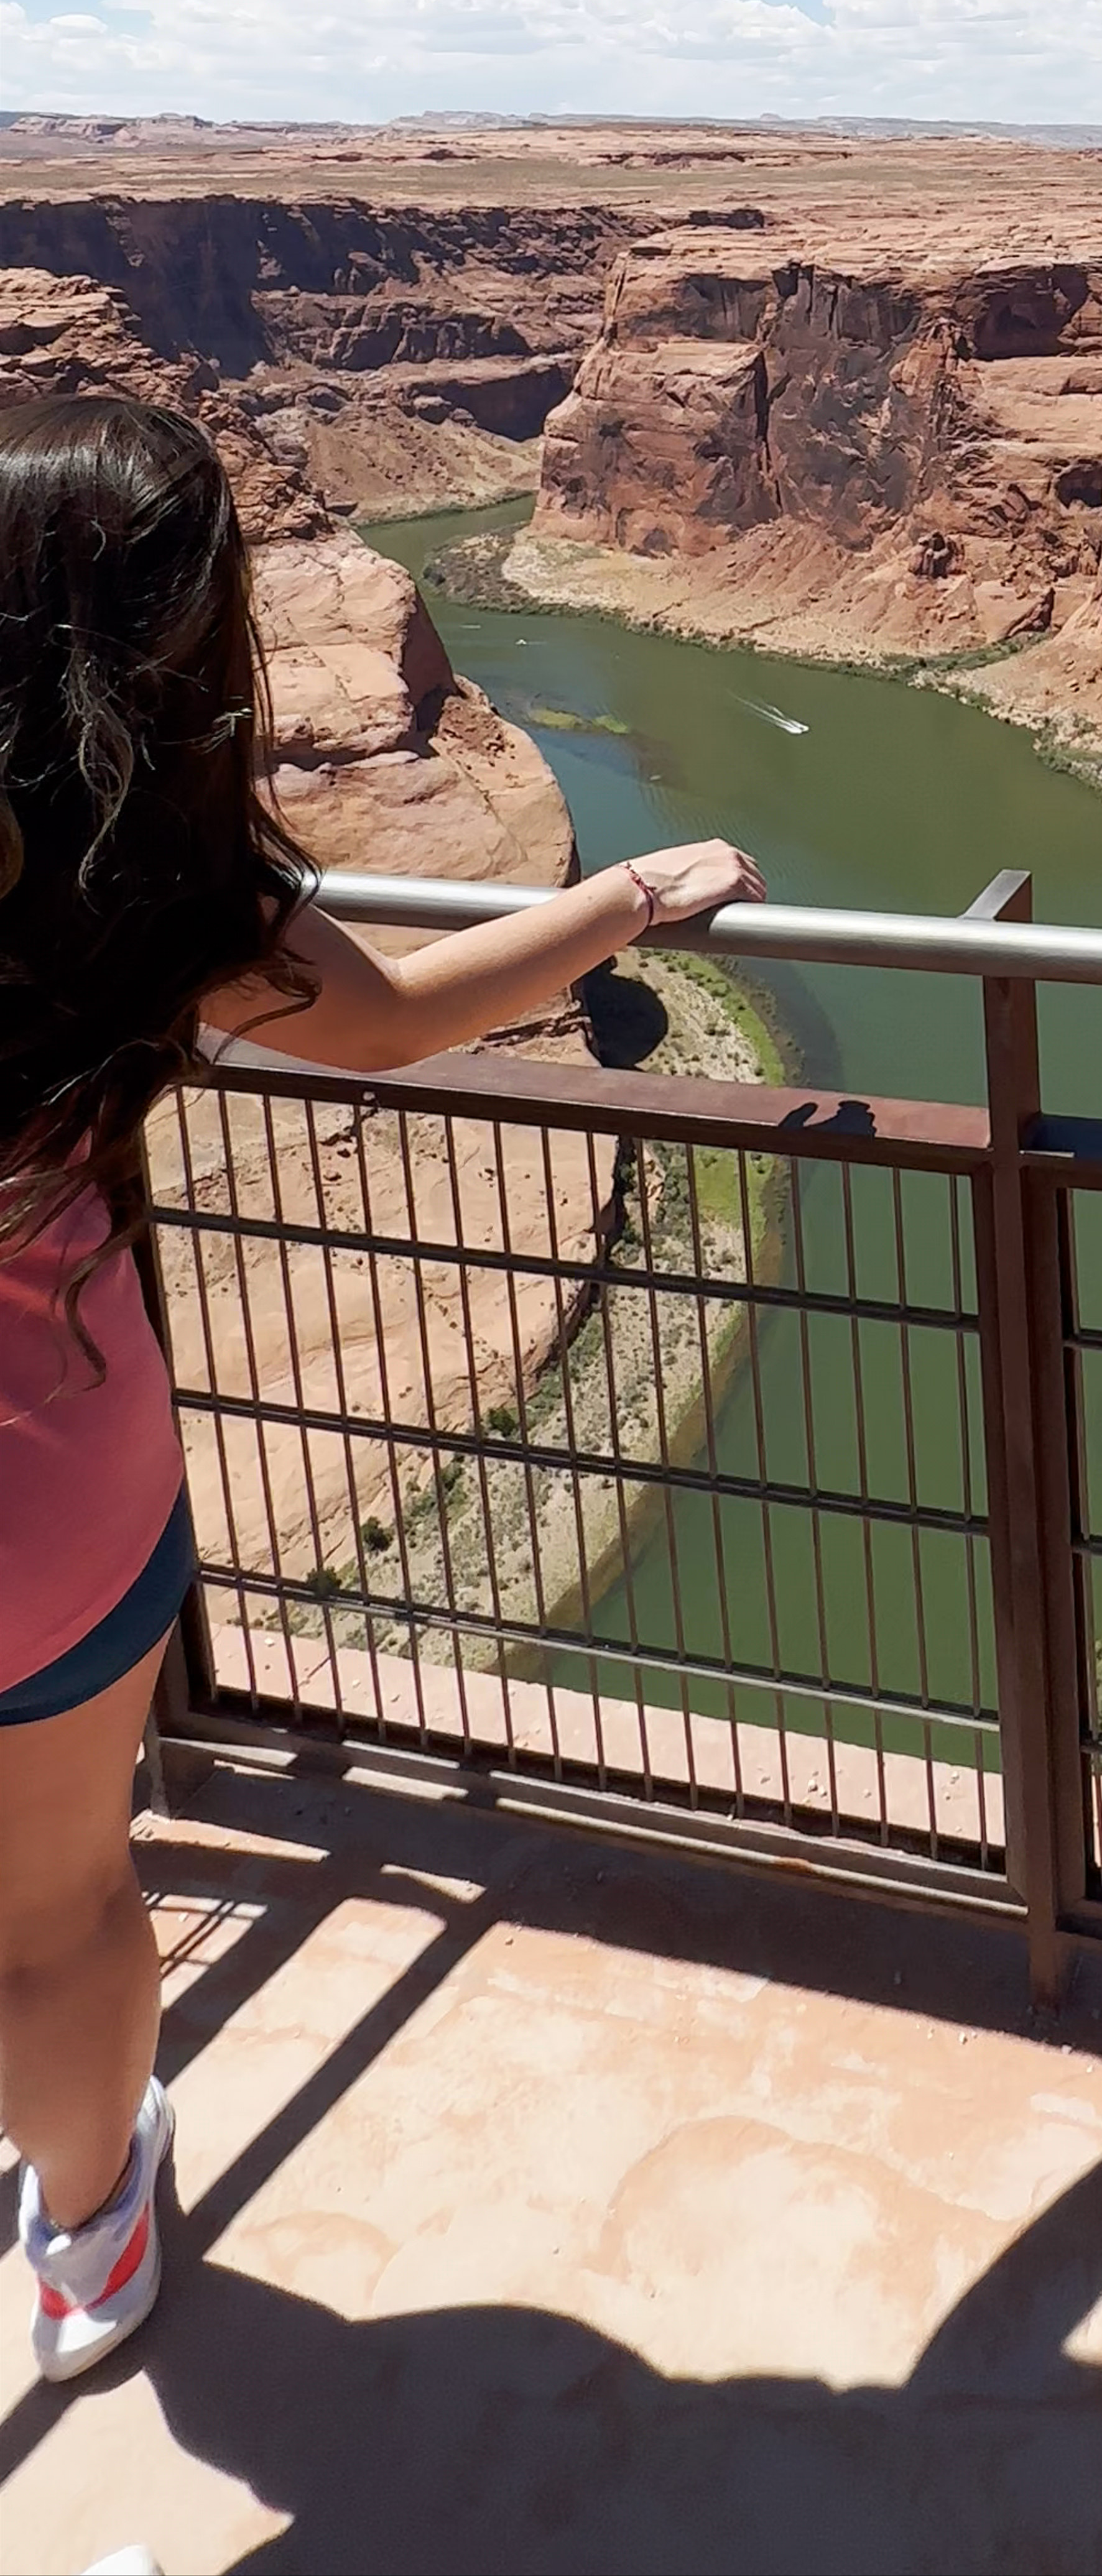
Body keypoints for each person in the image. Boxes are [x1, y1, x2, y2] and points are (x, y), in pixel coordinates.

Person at [0, 395, 761, 2380]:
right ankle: (88, 2237)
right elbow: (401, 1021)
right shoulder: (143, 878)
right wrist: (626, 902)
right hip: (39, 1479)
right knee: (59, 1906)